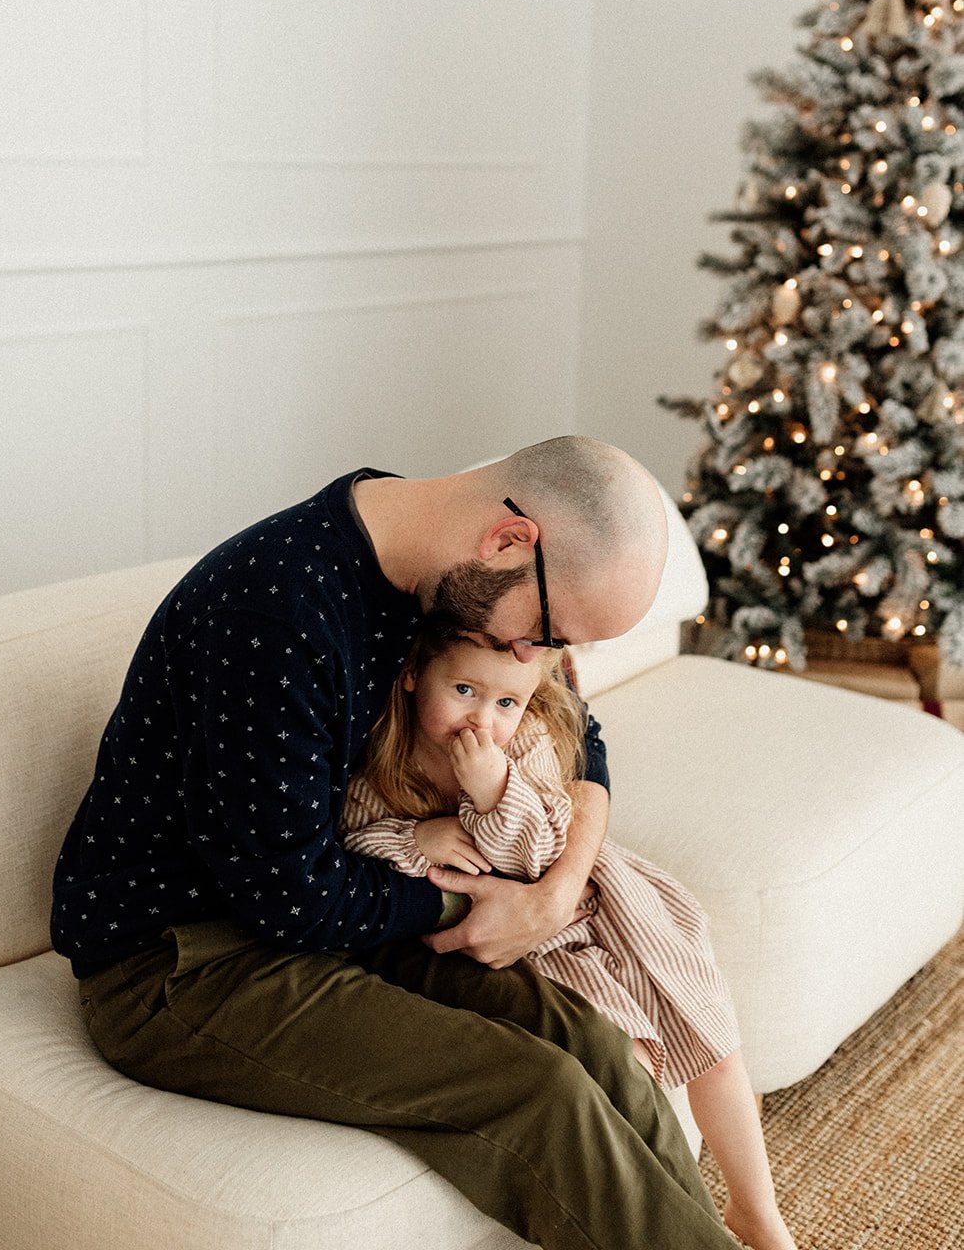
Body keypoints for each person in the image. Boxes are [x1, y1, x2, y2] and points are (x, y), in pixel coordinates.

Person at [54, 437, 742, 1249]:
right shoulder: (278, 609)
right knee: (540, 1090)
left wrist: (554, 893)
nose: (537, 660)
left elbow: (576, 732)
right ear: (509, 542)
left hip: (350, 912)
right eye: (542, 636)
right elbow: (291, 898)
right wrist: (471, 896)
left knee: (591, 1043)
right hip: (184, 959)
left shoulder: (449, 579)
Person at [342, 624, 800, 1250]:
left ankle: (758, 1212)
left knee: (711, 1037)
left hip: (602, 905)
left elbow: (541, 854)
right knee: (621, 1062)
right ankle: (671, 1217)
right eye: (465, 689)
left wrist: (493, 791)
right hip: (535, 951)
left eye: (505, 702)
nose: (481, 718)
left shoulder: (524, 745)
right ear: (414, 673)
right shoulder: (381, 769)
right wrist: (414, 841)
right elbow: (355, 848)